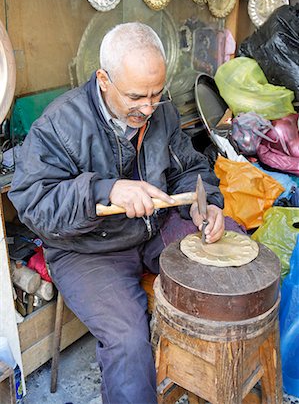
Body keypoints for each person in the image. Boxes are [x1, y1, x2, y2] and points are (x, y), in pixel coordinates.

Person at [9, 22, 225, 403]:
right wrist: (104, 189)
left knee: (228, 262)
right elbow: (32, 202)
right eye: (137, 96)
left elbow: (190, 168)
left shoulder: (161, 109)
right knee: (128, 339)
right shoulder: (60, 125)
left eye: (156, 94)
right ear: (104, 80)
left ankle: (210, 380)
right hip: (86, 249)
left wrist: (205, 203)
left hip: (153, 227)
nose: (148, 107)